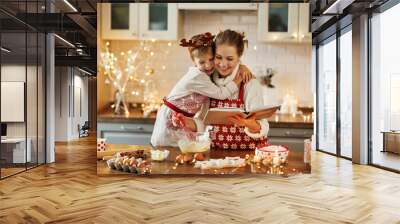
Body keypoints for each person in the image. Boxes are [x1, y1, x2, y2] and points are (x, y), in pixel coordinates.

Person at [150, 32, 253, 147]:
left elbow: (228, 62)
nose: (208, 65)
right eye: (202, 62)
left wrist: (242, 66)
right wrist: (236, 81)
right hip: (171, 117)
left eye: (211, 59)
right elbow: (221, 93)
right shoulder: (197, 76)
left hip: (182, 117)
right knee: (167, 148)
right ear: (194, 62)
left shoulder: (205, 72)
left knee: (183, 149)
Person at [180, 29, 275, 150]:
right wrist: (188, 122)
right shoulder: (208, 82)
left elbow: (262, 127)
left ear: (239, 57)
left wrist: (249, 124)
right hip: (215, 156)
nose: (223, 64)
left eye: (230, 59)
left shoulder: (249, 83)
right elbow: (203, 122)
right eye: (218, 57)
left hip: (247, 156)